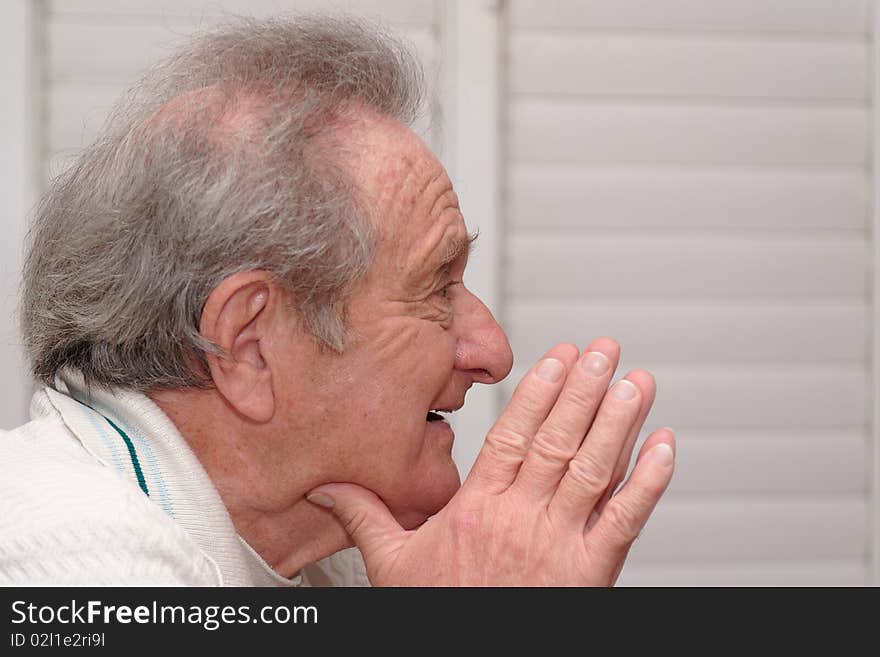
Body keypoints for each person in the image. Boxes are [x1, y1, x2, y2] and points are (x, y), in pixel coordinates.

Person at [0, 15, 675, 586]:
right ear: (250, 348)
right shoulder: (70, 558)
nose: (492, 352)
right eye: (437, 287)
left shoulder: (338, 549)